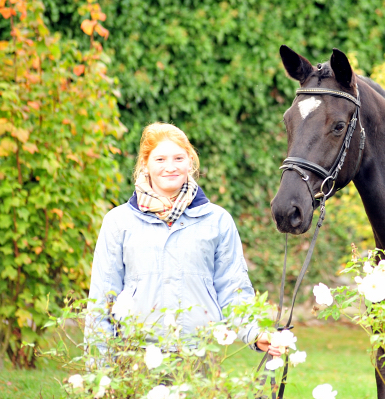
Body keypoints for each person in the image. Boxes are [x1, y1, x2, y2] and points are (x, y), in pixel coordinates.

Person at [86, 122, 278, 355]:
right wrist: (98, 367)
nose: (170, 167)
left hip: (199, 355)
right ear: (145, 164)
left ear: (190, 162)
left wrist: (256, 333)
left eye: (179, 158)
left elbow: (233, 288)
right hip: (134, 355)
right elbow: (102, 297)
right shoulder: (118, 221)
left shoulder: (217, 220)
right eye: (160, 160)